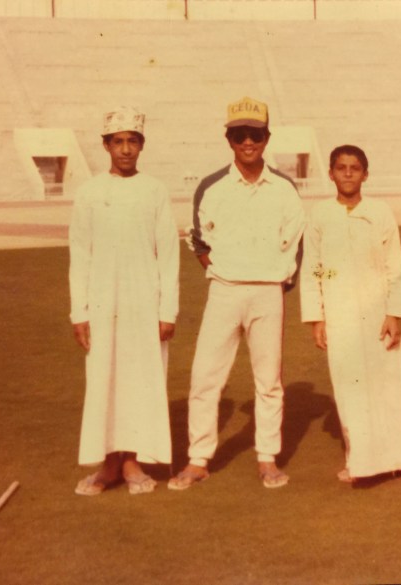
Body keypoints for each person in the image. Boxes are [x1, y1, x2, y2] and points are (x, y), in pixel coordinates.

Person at [168, 97, 306, 490]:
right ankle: (198, 460)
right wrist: (222, 271)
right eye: (239, 134)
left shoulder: (284, 188)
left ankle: (267, 458)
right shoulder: (211, 186)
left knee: (269, 380)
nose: (248, 142)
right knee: (205, 377)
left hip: (267, 294)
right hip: (224, 292)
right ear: (228, 138)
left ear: (267, 138)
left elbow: (295, 242)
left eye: (255, 134)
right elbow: (198, 241)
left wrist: (276, 282)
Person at [68, 106, 180, 496]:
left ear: (142, 145)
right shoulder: (89, 193)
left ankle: (132, 462)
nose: (126, 149)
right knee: (104, 378)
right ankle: (108, 463)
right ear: (106, 145)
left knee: (141, 379)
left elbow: (168, 254)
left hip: (144, 302)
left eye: (133, 141)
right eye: (118, 142)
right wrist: (79, 312)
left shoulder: (154, 191)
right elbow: (80, 254)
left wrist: (167, 311)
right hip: (102, 302)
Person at [300, 144, 401, 483]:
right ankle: (357, 461)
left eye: (354, 168)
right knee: (349, 385)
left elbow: (394, 266)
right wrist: (318, 317)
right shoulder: (320, 215)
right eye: (341, 167)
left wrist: (394, 312)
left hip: (378, 312)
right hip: (339, 313)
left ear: (365, 174)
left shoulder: (380, 212)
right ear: (330, 173)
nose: (348, 173)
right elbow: (315, 269)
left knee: (390, 383)